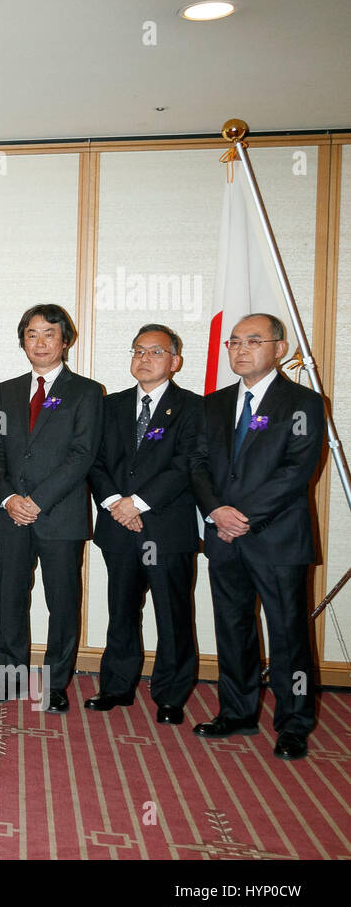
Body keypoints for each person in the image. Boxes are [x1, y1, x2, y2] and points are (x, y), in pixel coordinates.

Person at [191, 313, 324, 760]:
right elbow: (199, 465)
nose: (241, 349)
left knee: (288, 635)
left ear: (279, 348)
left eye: (253, 340)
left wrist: (242, 514)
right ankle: (237, 711)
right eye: (234, 342)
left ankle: (294, 723)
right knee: (232, 628)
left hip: (277, 539)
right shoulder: (213, 403)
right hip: (223, 537)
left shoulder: (303, 403)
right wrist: (215, 511)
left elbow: (296, 471)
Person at [0, 303, 102, 711]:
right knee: (11, 597)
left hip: (60, 515)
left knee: (62, 601)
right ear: (23, 342)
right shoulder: (7, 391)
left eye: (49, 333)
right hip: (12, 515)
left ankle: (54, 685)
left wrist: (36, 500)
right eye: (32, 334)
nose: (40, 342)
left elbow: (82, 454)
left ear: (65, 340)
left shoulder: (86, 392)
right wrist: (9, 498)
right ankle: (9, 676)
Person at [86, 324, 202, 723]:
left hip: (166, 529)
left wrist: (138, 503)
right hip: (118, 527)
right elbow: (95, 462)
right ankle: (116, 687)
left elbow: (184, 465)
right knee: (120, 611)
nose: (144, 359)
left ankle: (170, 696)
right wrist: (116, 504)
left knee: (172, 615)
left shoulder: (193, 407)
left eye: (155, 352)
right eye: (138, 351)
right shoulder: (110, 405)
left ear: (175, 361)